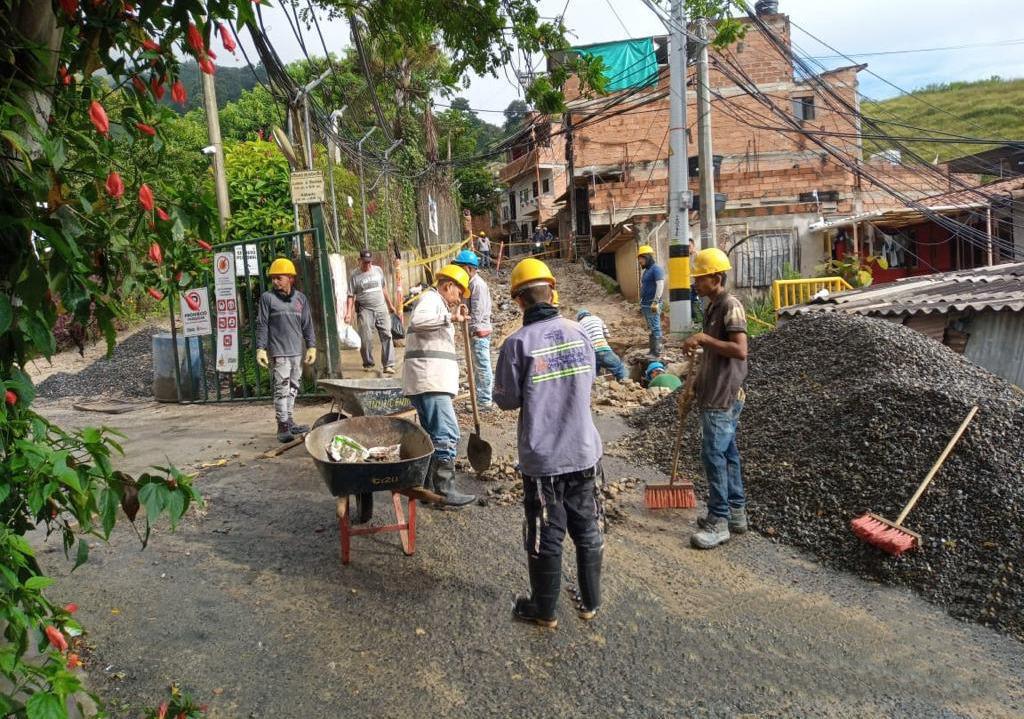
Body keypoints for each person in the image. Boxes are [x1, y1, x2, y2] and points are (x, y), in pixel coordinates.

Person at [494, 258, 604, 629]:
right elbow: (589, 379)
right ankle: (590, 603)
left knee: (546, 532)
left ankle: (544, 611)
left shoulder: (517, 344)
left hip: (544, 460)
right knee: (587, 527)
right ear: (552, 292)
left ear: (519, 300)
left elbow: (506, 400)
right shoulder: (580, 332)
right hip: (584, 452)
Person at [682, 247, 749, 550]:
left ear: (716, 278)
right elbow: (711, 354)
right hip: (713, 391)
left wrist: (704, 338)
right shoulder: (712, 307)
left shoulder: (730, 305)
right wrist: (695, 384)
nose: (695, 283)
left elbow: (740, 350)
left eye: (700, 278)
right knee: (728, 454)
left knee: (713, 457)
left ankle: (718, 521)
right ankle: (736, 514)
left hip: (722, 396)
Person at [403, 264, 477, 507]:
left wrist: (452, 316)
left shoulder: (437, 304)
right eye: (459, 293)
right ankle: (444, 491)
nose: (459, 299)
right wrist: (450, 317)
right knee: (447, 433)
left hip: (429, 380)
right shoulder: (431, 300)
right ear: (448, 286)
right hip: (430, 380)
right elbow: (418, 321)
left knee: (432, 436)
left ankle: (428, 490)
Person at [255, 258, 317, 443]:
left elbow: (307, 324)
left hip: (296, 352)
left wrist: (311, 346)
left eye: (279, 278)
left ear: (290, 278)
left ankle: (289, 420)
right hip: (279, 352)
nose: (275, 281)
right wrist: (260, 348)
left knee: (293, 388)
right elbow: (262, 324)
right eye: (273, 278)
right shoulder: (267, 298)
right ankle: (282, 425)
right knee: (281, 389)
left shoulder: (300, 299)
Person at [345, 249, 397, 375]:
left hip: (381, 308)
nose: (367, 265)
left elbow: (383, 289)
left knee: (387, 335)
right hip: (365, 309)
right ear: (359, 261)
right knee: (365, 338)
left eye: (369, 262)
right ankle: (368, 362)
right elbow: (351, 296)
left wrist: (390, 305)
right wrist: (349, 313)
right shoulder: (354, 275)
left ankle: (388, 364)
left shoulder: (378, 270)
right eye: (365, 262)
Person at [453, 249, 494, 410]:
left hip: (479, 332)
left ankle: (484, 401)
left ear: (469, 268)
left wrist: (471, 329)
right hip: (474, 331)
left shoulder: (478, 285)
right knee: (477, 367)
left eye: (461, 267)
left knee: (482, 367)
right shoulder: (469, 284)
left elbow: (477, 311)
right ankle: (479, 397)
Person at [576, 309, 626, 381]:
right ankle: (626, 383)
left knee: (593, 375)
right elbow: (607, 335)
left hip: (592, 353)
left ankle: (596, 386)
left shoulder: (579, 325)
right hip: (604, 349)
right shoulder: (597, 319)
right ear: (588, 314)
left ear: (579, 318)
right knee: (619, 368)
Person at [637, 244, 666, 357]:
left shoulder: (656, 269)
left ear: (647, 257)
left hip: (652, 303)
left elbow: (660, 285)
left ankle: (657, 351)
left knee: (655, 327)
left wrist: (655, 301)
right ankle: (652, 350)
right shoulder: (647, 271)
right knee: (651, 328)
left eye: (641, 258)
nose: (640, 261)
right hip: (646, 304)